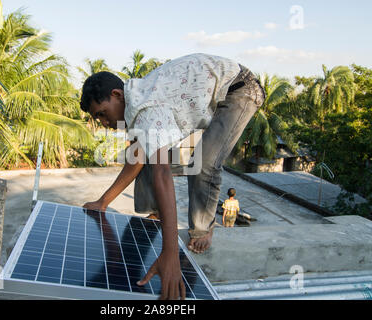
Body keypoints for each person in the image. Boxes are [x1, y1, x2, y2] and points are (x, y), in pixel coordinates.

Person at [81, 53, 265, 300]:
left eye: (102, 113)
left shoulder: (147, 109)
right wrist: (104, 202)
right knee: (142, 152)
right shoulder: (136, 103)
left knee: (203, 163)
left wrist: (170, 255)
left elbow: (163, 173)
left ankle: (202, 229)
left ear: (117, 95)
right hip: (214, 89)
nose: (104, 122)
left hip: (239, 89)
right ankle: (156, 214)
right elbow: (137, 159)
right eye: (98, 119)